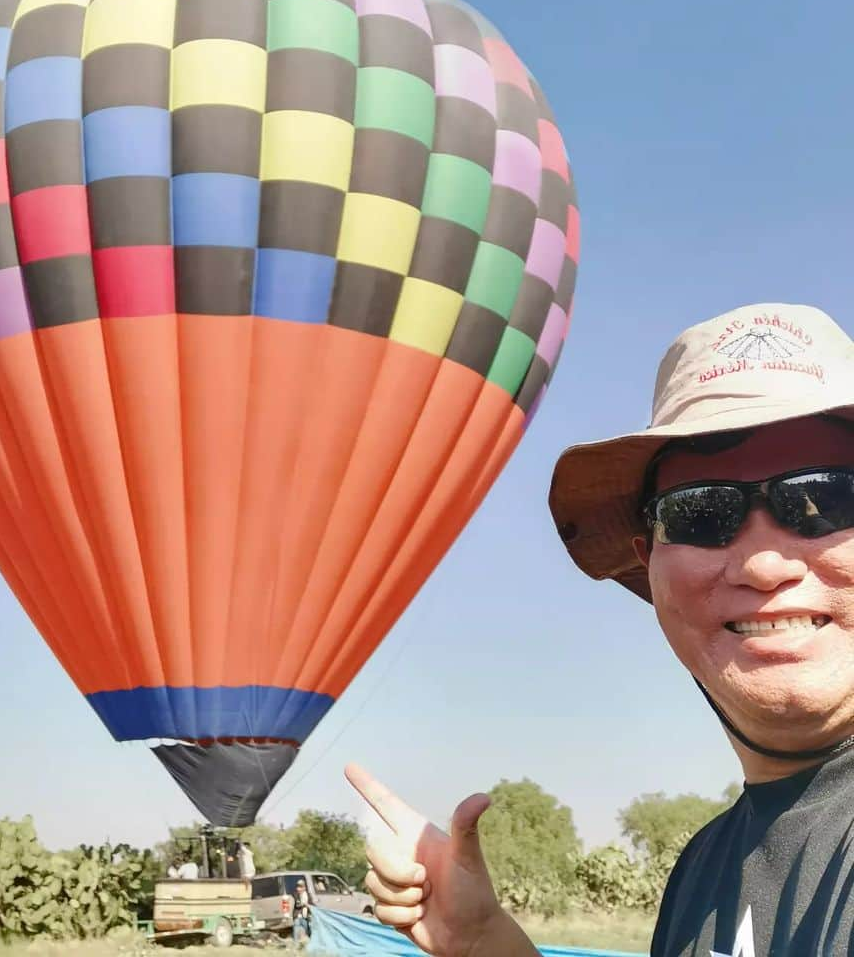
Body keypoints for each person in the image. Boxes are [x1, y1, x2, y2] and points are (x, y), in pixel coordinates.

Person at [348, 303, 854, 956]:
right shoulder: (705, 865)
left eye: (828, 500)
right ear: (651, 567)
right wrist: (482, 941)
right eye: (700, 514)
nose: (762, 563)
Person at [291, 878, 312, 944]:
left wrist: (312, 908)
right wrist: (303, 904)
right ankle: (295, 944)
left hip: (305, 916)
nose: (298, 888)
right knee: (296, 927)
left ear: (304, 887)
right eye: (298, 887)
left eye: (301, 887)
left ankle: (309, 942)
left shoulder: (308, 895)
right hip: (297, 915)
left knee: (308, 930)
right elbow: (297, 905)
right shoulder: (295, 894)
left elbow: (311, 903)